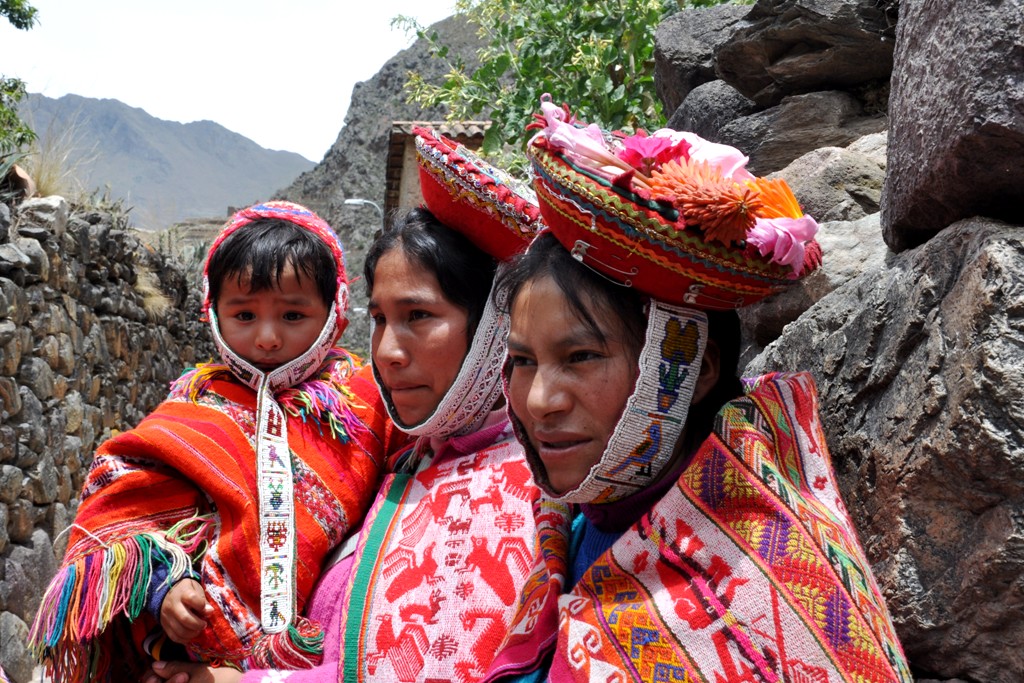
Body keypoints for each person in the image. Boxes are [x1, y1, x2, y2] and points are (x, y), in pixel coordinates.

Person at [481, 99, 913, 682]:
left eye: (580, 356)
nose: (539, 401)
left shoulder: (768, 582)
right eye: (523, 361)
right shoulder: (564, 526)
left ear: (692, 366)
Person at [147, 127, 546, 683]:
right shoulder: (416, 458)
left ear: (494, 324)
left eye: (418, 317)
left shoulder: (512, 494)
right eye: (380, 319)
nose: (386, 351)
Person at [29, 201, 400, 681]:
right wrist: (165, 588)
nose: (267, 338)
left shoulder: (363, 406)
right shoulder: (196, 407)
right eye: (244, 314)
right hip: (199, 658)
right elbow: (125, 509)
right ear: (214, 312)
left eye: (292, 315)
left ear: (334, 312)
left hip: (324, 656)